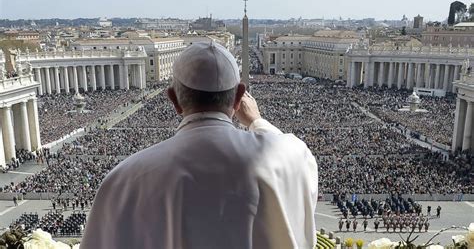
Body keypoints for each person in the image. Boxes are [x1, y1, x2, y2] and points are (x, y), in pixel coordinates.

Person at [81, 42, 319, 249]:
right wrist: (257, 121)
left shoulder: (124, 179)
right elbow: (295, 155)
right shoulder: (289, 157)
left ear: (173, 99)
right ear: (239, 97)